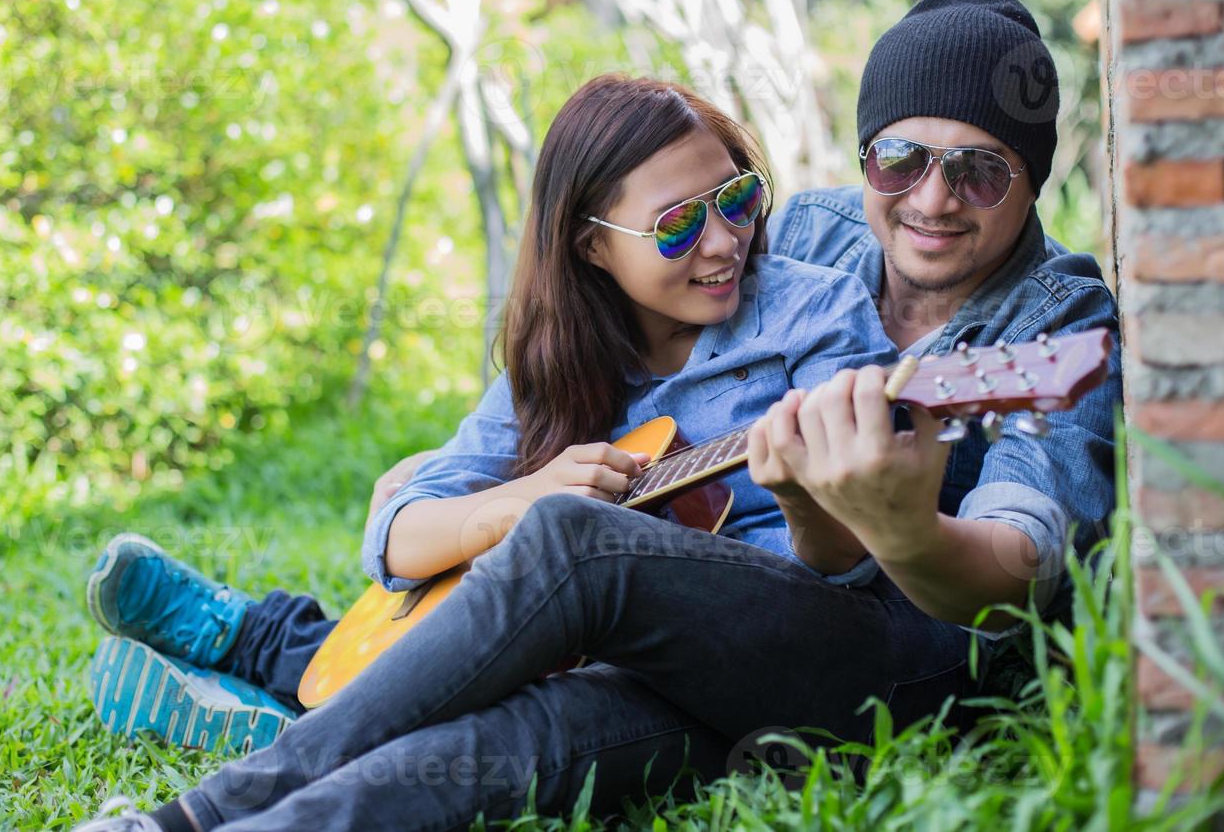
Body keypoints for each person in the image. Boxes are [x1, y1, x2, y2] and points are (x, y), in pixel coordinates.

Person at [77, 0, 1121, 832]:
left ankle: (207, 782)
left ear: (1033, 177)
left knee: (575, 545)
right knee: (517, 731)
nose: (932, 198)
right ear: (864, 160)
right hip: (698, 648)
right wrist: (491, 489)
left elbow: (1020, 568)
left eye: (982, 171)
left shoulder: (1057, 315)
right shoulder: (805, 230)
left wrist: (896, 526)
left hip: (895, 657)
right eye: (900, 160)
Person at [76, 72, 895, 831]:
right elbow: (397, 534)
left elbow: (846, 569)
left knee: (573, 544)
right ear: (590, 244)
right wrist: (518, 499)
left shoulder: (813, 311)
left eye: (737, 198)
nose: (723, 241)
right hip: (617, 676)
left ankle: (215, 756)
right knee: (492, 742)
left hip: (771, 654)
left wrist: (802, 491)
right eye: (678, 224)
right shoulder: (562, 360)